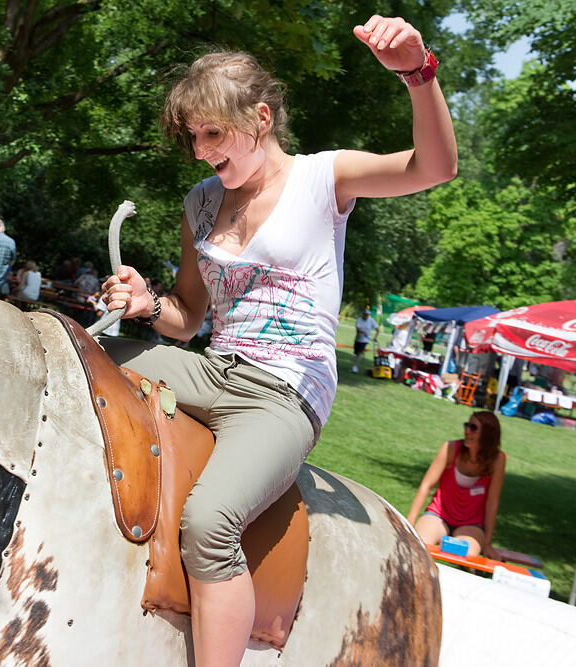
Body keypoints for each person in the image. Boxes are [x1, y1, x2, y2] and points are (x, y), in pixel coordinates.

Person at [99, 15, 456, 666]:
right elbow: (188, 317)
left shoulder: (323, 178)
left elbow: (434, 166)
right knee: (83, 361)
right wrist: (148, 303)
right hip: (214, 368)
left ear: (260, 118)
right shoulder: (201, 202)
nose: (201, 150)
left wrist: (417, 72)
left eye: (213, 133)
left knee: (210, 522)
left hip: (284, 394)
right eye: (193, 137)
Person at [406, 412, 507, 559]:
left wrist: (487, 543)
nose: (467, 431)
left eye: (473, 428)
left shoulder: (497, 460)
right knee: (419, 549)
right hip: (439, 515)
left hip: (472, 524)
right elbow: (426, 485)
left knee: (469, 557)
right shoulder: (450, 448)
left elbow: (492, 502)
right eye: (467, 425)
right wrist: (409, 522)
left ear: (488, 434)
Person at [352, 307, 379, 373]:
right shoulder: (359, 319)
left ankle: (355, 366)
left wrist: (375, 337)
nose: (365, 316)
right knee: (356, 352)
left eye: (367, 314)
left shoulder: (372, 320)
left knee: (360, 353)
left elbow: (377, 330)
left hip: (365, 340)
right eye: (365, 314)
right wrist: (363, 332)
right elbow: (357, 329)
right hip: (358, 339)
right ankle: (355, 364)